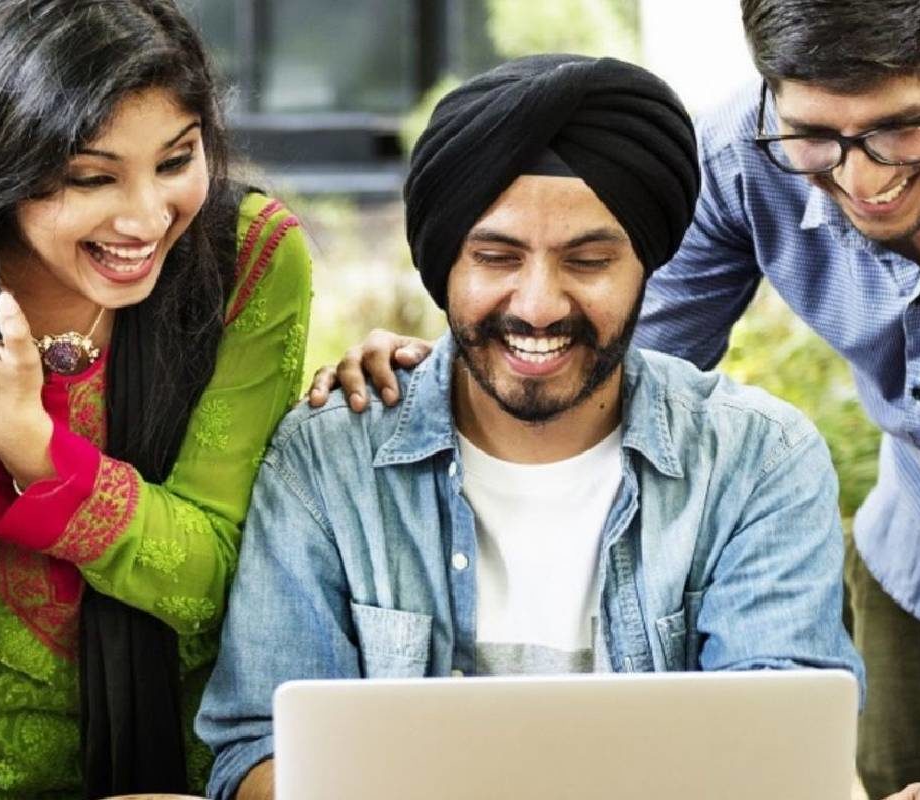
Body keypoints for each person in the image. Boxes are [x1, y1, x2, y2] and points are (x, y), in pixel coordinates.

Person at [320, 2, 920, 798]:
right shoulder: (740, 156)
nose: (863, 179)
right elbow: (605, 361)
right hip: (918, 571)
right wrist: (452, 370)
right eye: (816, 135)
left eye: (901, 130)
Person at [198, 53, 863, 800]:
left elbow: (787, 758)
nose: (539, 306)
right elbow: (258, 753)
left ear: (646, 267)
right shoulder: (328, 462)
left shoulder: (757, 461)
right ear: (445, 266)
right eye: (496, 257)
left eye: (589, 261)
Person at [0, 1, 311, 798]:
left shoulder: (248, 259)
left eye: (176, 160)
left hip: (177, 776)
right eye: (91, 177)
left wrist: (25, 438)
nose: (147, 218)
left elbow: (211, 576)